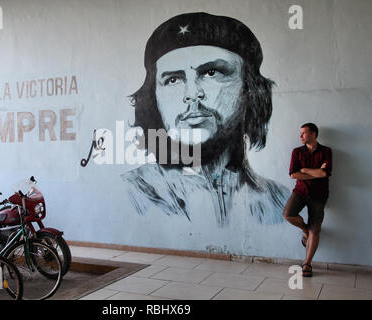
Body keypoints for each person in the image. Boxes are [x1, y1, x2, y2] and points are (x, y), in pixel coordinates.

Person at [121, 12, 290, 227]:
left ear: (250, 89)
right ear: (153, 97)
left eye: (211, 73)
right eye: (173, 79)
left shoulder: (278, 201)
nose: (192, 94)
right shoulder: (129, 193)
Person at [283, 123, 332, 277]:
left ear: (313, 134)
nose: (301, 136)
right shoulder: (297, 152)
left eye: (304, 133)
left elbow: (325, 173)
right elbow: (293, 174)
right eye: (301, 133)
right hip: (300, 192)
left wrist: (304, 170)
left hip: (319, 195)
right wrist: (315, 172)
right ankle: (305, 230)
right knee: (288, 214)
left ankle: (307, 264)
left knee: (315, 229)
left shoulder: (326, 151)